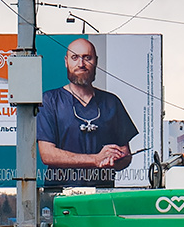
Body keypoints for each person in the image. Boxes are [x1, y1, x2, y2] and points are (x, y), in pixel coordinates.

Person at [38, 37, 139, 189]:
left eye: (87, 58)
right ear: (66, 62)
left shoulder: (111, 102)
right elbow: (47, 154)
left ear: (96, 62)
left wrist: (116, 158)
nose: (81, 64)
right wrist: (95, 159)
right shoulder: (50, 101)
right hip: (60, 195)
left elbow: (126, 156)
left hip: (103, 196)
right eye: (75, 57)